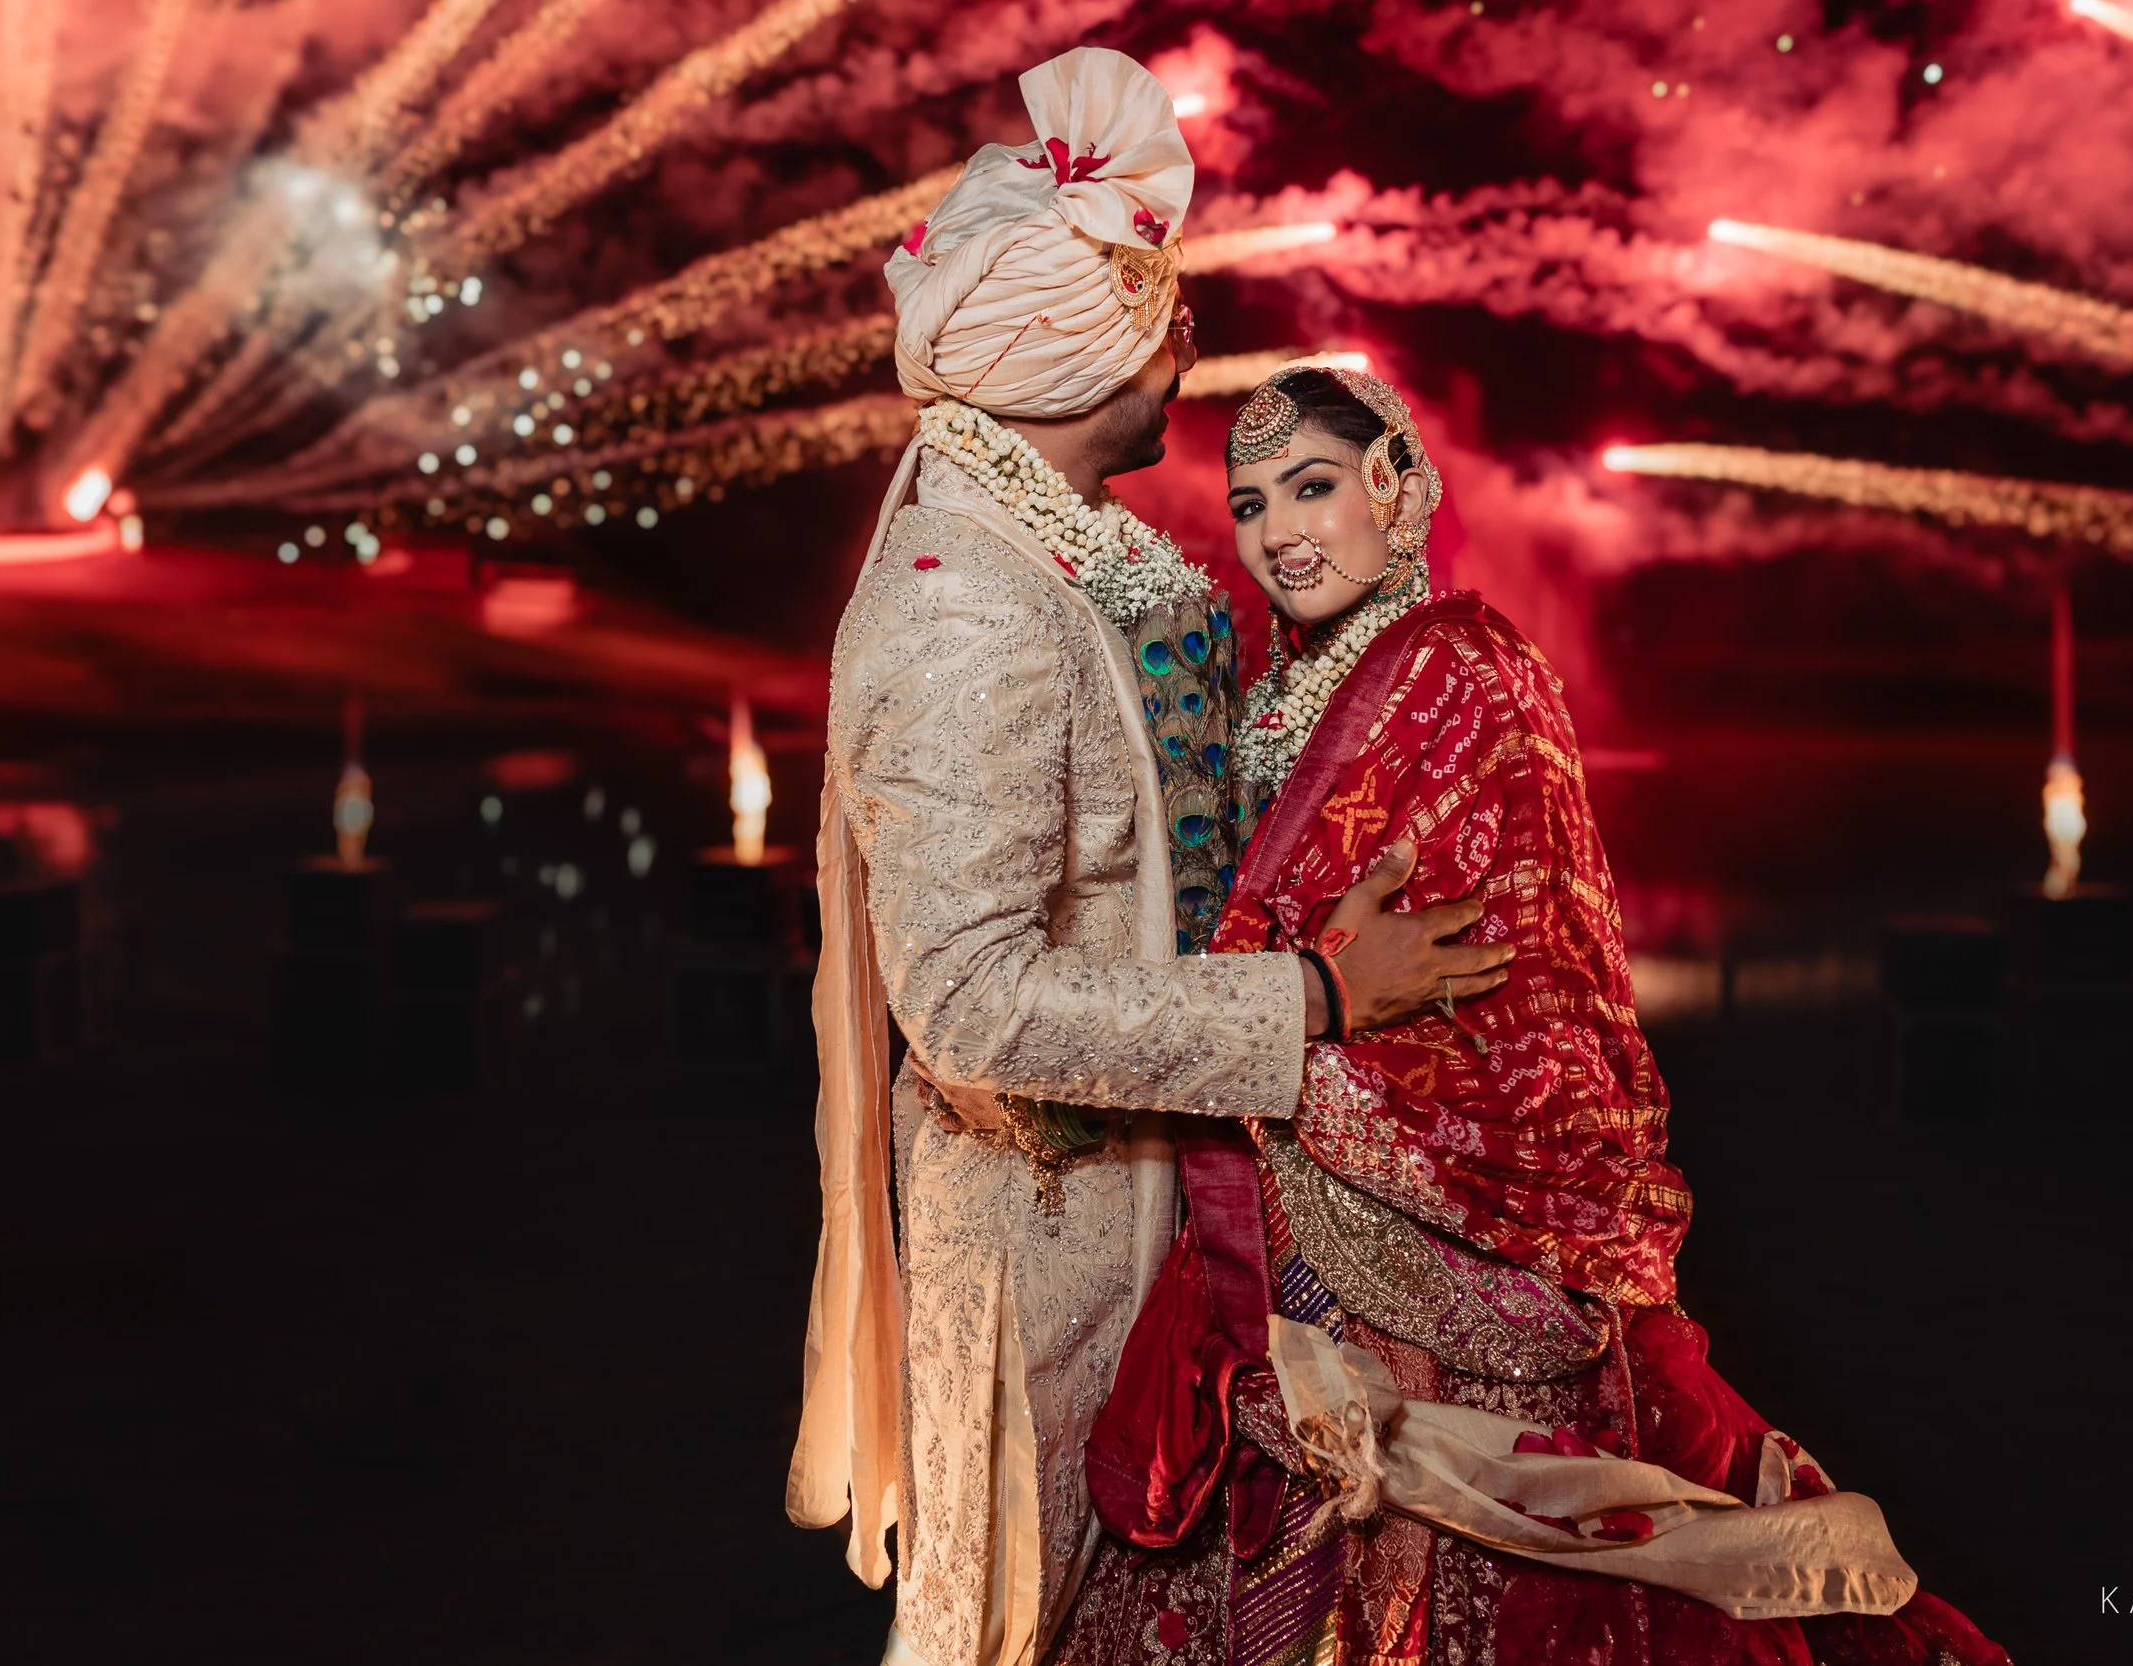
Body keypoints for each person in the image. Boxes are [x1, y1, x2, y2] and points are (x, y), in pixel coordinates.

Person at [1056, 367, 2011, 1666]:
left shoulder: (1464, 666)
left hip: (1444, 1210)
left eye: (1315, 485)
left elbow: (1527, 971)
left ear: (1398, 485)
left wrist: (1282, 1028)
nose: (1280, 526)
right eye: (1253, 499)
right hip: (1302, 1215)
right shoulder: (1287, 701)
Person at [784, 56, 1507, 1666]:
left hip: (1144, 1232)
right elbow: (968, 1007)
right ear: (1064, 349)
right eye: (1149, 306)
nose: (1185, 339)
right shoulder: (970, 606)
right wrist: (1312, 996)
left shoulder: (1053, 556)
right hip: (1050, 1266)